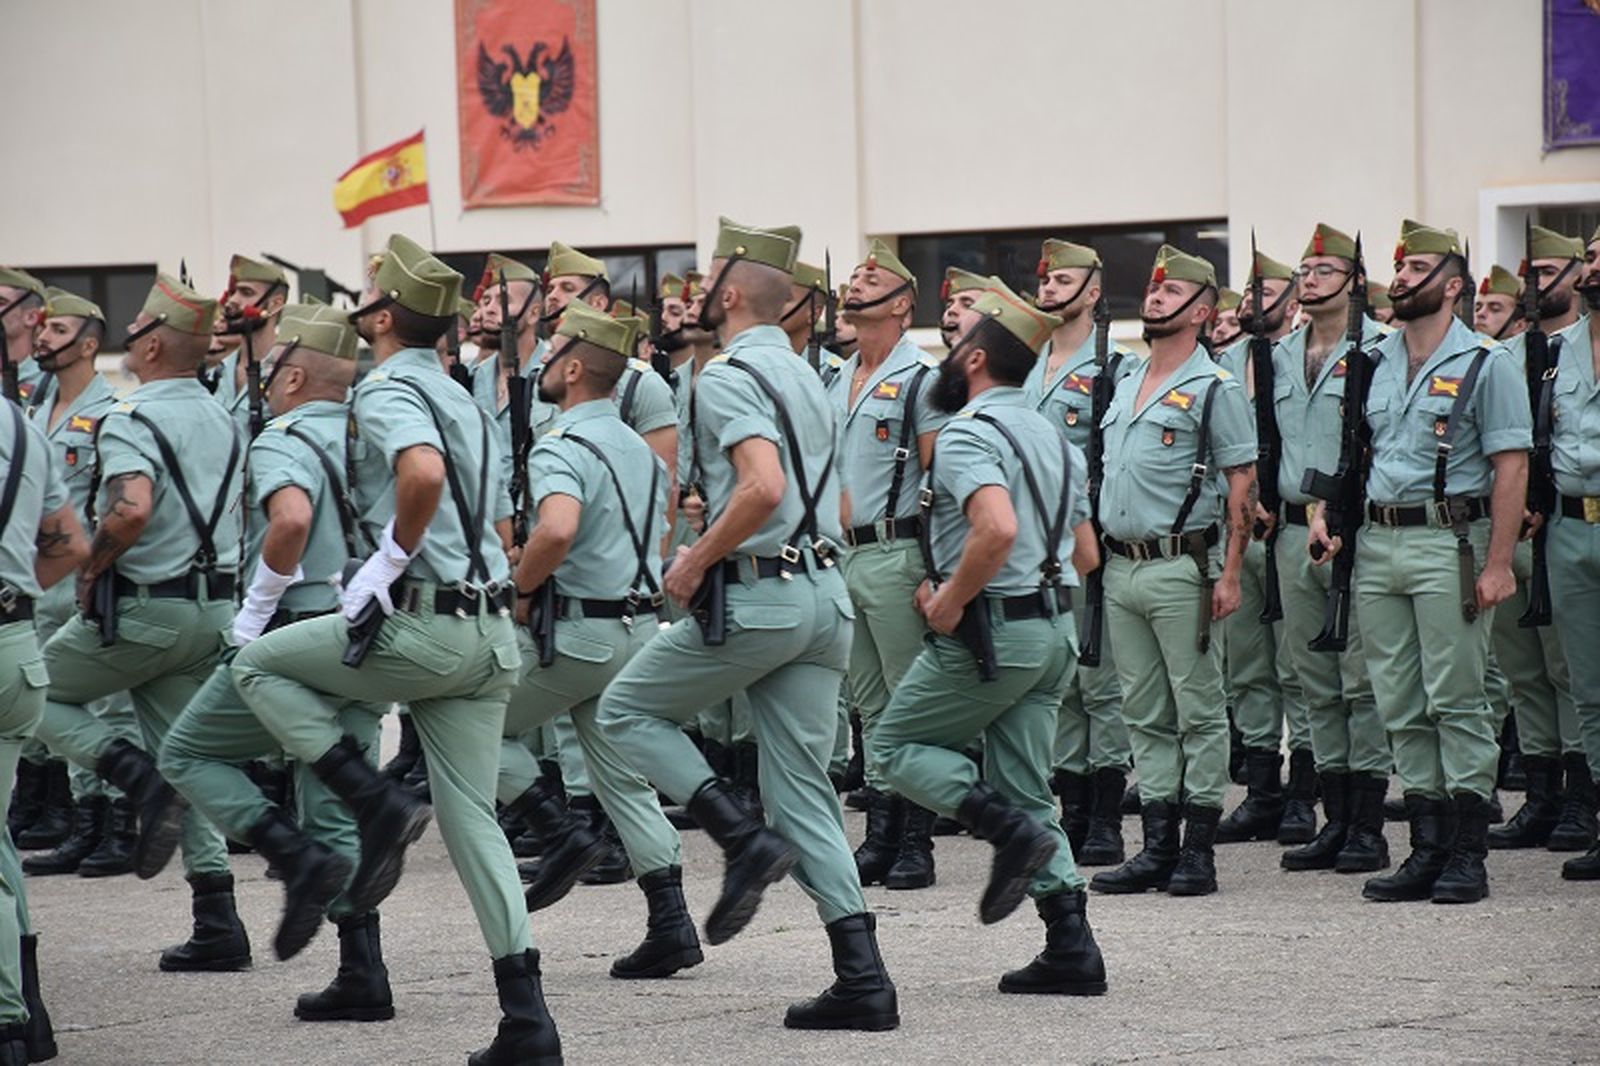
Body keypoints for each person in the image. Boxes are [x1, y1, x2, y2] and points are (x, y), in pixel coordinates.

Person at [231, 235, 559, 1063]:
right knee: (470, 818)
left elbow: (420, 476)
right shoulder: (460, 390)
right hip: (489, 630)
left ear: (378, 316)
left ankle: (367, 796)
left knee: (254, 663)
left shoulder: (388, 387)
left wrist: (388, 559)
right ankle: (528, 1019)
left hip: (427, 626)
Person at [598, 217, 897, 1032]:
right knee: (803, 795)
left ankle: (737, 837)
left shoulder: (726, 375)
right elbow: (831, 502)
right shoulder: (811, 374)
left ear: (729, 295)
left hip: (759, 595)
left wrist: (694, 560)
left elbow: (761, 487)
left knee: (624, 711)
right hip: (822, 596)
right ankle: (862, 977)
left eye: (703, 282)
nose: (692, 295)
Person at [157, 303, 398, 1022]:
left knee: (186, 751)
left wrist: (257, 609)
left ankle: (289, 855)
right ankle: (362, 971)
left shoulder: (282, 435)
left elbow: (289, 521)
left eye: (270, 368)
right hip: (364, 628)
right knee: (334, 799)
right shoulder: (373, 435)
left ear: (292, 375)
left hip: (294, 632)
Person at [872, 281, 1109, 995]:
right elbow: (1088, 554)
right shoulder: (1051, 434)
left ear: (974, 359)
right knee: (1028, 791)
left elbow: (997, 528)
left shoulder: (969, 432)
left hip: (991, 636)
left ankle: (1004, 831)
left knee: (894, 749)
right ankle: (1071, 945)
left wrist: (948, 597)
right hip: (1051, 629)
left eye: (955, 341)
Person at [35, 274, 252, 971]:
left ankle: (132, 777)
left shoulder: (130, 416)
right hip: (211, 606)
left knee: (29, 688)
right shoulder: (224, 414)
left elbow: (129, 509)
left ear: (154, 345)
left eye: (134, 336)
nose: (126, 347)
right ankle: (217, 920)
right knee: (186, 755)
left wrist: (92, 566)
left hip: (144, 608)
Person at [1312, 219, 1530, 905]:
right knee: (1400, 701)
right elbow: (1358, 456)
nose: (1402, 278)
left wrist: (1499, 563)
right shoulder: (1372, 360)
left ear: (1454, 284)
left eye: (1420, 268)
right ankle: (1427, 847)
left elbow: (1511, 467)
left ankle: (1467, 850)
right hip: (1379, 544)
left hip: (1448, 542)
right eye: (1400, 269)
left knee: (1456, 698)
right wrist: (1329, 514)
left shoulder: (1485, 362)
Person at [495, 300, 700, 979]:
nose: (540, 365)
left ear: (575, 367)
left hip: (578, 632)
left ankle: (558, 832)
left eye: (550, 354)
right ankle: (671, 923)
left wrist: (521, 586)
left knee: (474, 728)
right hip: (635, 627)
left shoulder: (561, 442)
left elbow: (555, 530)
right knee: (623, 781)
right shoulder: (639, 451)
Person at [1088, 245, 1257, 898]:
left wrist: (1231, 572)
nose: (1154, 298)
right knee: (1144, 712)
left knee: (1199, 709)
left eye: (1171, 292)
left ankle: (1199, 850)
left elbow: (1241, 483)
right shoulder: (1126, 380)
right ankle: (1156, 845)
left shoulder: (1214, 389)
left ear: (1203, 310)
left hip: (1182, 566)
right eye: (1153, 290)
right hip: (1123, 567)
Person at [1273, 223, 1391, 874]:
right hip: (1296, 531)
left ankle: (1368, 825)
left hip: (1356, 529)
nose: (1309, 279)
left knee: (1361, 680)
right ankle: (1334, 817)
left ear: (1355, 281)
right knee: (1313, 681)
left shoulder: (1382, 350)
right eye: (1304, 269)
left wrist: (1343, 511)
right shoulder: (1280, 355)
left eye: (1324, 269)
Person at [828, 240, 946, 892]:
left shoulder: (922, 377)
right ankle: (880, 834)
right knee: (868, 704)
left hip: (899, 551)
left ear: (902, 304)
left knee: (909, 703)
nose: (856, 284)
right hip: (844, 552)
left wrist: (937, 566)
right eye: (854, 276)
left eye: (871, 279)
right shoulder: (833, 374)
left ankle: (916, 842)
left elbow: (940, 476)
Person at [21, 290, 141, 879]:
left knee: (107, 705)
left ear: (88, 344)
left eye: (58, 329)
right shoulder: (28, 409)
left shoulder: (112, 413)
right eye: (42, 328)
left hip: (88, 577)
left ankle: (121, 822)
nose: (43, 337)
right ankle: (82, 819)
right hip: (38, 581)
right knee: (53, 700)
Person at [1025, 238, 1135, 867]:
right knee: (1060, 681)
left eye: (1062, 279)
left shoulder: (1115, 367)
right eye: (1044, 281)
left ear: (1093, 291)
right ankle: (1069, 803)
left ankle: (1106, 813)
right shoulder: (1029, 363)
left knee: (1101, 680)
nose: (1047, 290)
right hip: (1031, 542)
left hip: (1085, 537)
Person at [1485, 226, 1591, 855]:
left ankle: (1582, 799)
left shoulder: (1581, 349)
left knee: (1567, 668)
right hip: (1511, 531)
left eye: (1549, 270)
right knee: (1522, 669)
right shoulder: (1509, 355)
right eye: (1530, 271)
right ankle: (1542, 796)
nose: (1534, 284)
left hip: (1561, 524)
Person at [1214, 249, 1316, 847]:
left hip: (1287, 528)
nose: (1253, 300)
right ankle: (1262, 791)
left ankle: (1304, 793)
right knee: (1247, 667)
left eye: (1267, 290)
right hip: (1237, 534)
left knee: (1296, 667)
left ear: (1293, 300)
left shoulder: (1303, 361)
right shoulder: (1222, 363)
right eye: (1249, 291)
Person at [0, 387, 89, 1063]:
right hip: (15, 646)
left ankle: (7, 1018)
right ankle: (30, 1014)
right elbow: (69, 543)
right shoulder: (21, 425)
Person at [1539, 223, 1600, 880]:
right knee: (1587, 686)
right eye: (1589, 256)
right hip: (1569, 526)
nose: (1593, 265)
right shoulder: (1552, 354)